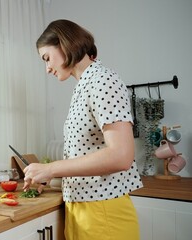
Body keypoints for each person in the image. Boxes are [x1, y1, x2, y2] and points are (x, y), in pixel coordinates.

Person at [23, 19, 143, 240]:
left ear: (64, 44)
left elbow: (121, 156)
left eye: (47, 58)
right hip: (84, 212)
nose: (47, 68)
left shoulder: (102, 80)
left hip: (103, 214)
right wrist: (49, 174)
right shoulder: (84, 85)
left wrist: (51, 169)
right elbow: (88, 155)